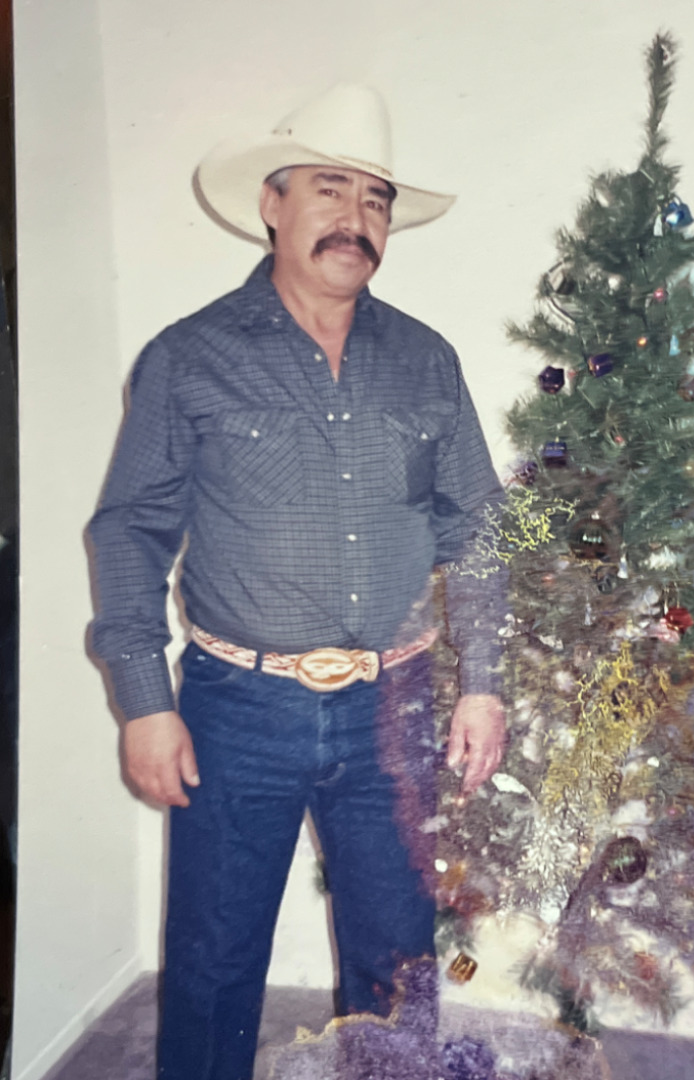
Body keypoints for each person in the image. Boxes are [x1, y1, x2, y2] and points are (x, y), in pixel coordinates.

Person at [88, 83, 506, 1080]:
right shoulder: (189, 358)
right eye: (330, 189)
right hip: (238, 709)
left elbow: (479, 530)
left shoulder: (427, 362)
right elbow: (131, 530)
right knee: (212, 965)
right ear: (272, 204)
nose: (356, 218)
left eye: (376, 199)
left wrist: (484, 681)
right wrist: (145, 702)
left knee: (398, 971)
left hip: (394, 709)